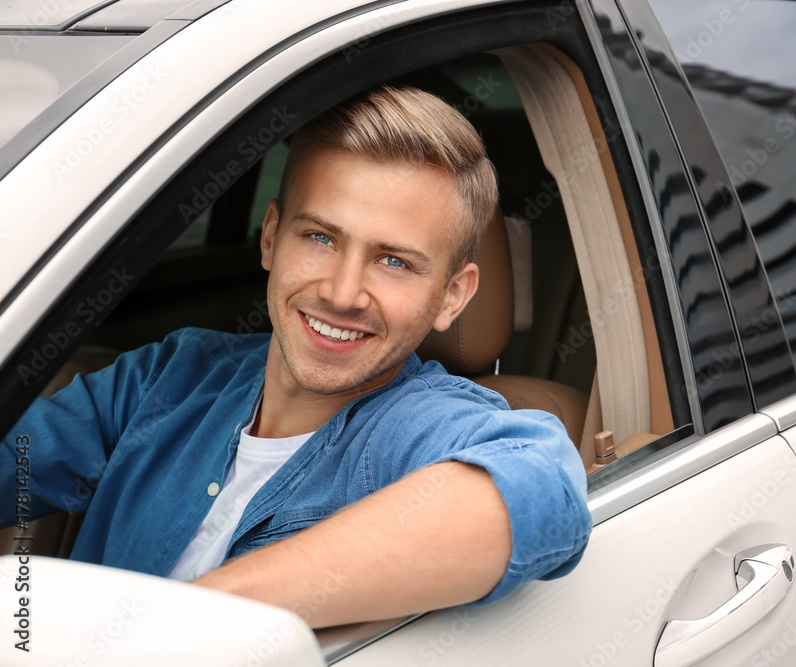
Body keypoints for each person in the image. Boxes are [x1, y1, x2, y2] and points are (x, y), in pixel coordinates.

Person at [0, 85, 591, 628]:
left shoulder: (422, 426)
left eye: (394, 262)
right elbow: (17, 463)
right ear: (270, 237)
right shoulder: (171, 375)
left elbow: (543, 488)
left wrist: (182, 624)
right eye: (321, 238)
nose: (341, 293)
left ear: (452, 296)